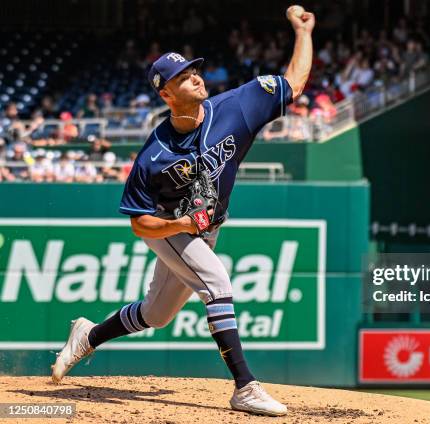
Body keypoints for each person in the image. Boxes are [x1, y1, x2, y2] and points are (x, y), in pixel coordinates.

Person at [51, 7, 315, 417]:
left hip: (206, 227)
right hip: (171, 229)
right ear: (166, 94)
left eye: (195, 71)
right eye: (183, 77)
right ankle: (245, 386)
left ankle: (87, 336)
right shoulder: (153, 155)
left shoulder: (237, 106)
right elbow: (140, 223)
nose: (196, 76)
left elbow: (294, 83)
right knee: (218, 284)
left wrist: (302, 32)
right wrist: (179, 224)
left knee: (156, 315)